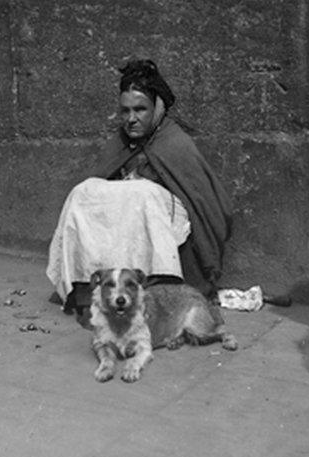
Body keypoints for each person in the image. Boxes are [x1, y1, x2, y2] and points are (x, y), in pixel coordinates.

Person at [47, 59, 233, 320]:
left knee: (143, 195)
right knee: (83, 192)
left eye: (140, 109)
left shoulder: (175, 143)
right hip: (127, 218)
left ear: (157, 107)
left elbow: (204, 203)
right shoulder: (121, 141)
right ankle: (85, 289)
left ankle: (157, 289)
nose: (131, 119)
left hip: (162, 221)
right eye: (125, 111)